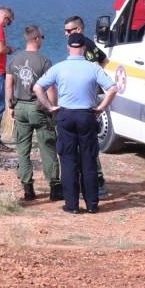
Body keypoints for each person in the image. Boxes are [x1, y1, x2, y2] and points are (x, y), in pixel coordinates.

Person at [34, 33, 116, 214]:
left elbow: (38, 87)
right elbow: (112, 88)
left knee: (68, 160)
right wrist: (101, 107)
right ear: (84, 49)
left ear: (68, 47)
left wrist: (50, 107)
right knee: (89, 160)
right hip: (87, 115)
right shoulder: (92, 68)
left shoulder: (59, 68)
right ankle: (92, 205)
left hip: (66, 115)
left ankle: (71, 205)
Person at [7, 26, 59, 201]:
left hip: (20, 107)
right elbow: (50, 88)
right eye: (42, 37)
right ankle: (54, 187)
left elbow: (9, 85)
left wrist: (10, 106)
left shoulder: (14, 60)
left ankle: (28, 188)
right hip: (38, 108)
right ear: (36, 39)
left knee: (22, 149)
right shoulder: (44, 61)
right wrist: (53, 108)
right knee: (48, 147)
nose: (43, 40)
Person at [64, 15, 109, 200]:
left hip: (87, 101)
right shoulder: (84, 44)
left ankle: (97, 182)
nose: (65, 34)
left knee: (88, 146)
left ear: (78, 30)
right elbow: (104, 59)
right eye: (65, 31)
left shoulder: (87, 46)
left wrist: (94, 85)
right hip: (86, 100)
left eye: (69, 31)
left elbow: (98, 63)